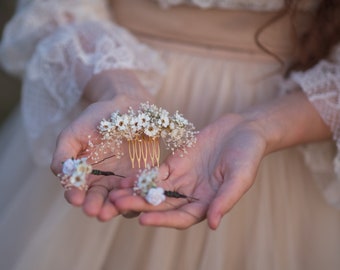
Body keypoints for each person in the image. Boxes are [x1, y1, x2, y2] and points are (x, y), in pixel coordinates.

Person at [1, 0, 340, 269]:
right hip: (113, 76)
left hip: (290, 121)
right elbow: (56, 9)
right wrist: (118, 89)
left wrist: (262, 126)